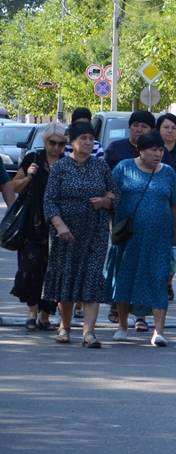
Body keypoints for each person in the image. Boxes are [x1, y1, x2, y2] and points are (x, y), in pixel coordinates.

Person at [42, 120, 117, 348]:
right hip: (66, 233)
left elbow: (116, 195)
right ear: (72, 142)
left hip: (95, 231)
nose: (87, 142)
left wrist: (105, 201)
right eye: (82, 138)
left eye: (90, 138)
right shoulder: (62, 167)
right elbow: (49, 200)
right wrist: (60, 226)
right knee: (67, 276)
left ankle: (89, 333)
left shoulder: (101, 166)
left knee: (92, 277)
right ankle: (64, 326)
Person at [105, 130, 176, 347]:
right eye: (153, 150)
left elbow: (174, 205)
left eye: (160, 150)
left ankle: (158, 331)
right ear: (140, 150)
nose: (158, 154)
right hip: (129, 237)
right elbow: (112, 196)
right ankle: (122, 325)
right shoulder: (124, 168)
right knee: (125, 277)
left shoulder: (167, 172)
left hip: (159, 238)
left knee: (158, 278)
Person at [9, 123, 66, 331]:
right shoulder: (33, 159)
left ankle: (44, 316)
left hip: (58, 225)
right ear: (45, 141)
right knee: (30, 269)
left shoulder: (66, 163)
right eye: (52, 142)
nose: (56, 147)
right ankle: (31, 313)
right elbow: (13, 186)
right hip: (32, 224)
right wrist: (29, 176)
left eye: (61, 144)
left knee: (52, 271)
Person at [158, 113, 176, 300]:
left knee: (174, 245)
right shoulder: (153, 150)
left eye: (174, 128)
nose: (170, 131)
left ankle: (168, 282)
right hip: (155, 201)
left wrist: (174, 189)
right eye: (166, 127)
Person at [103, 110, 175, 172]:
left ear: (152, 130)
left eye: (144, 126)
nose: (139, 130)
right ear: (129, 128)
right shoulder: (115, 148)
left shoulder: (161, 151)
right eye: (135, 125)